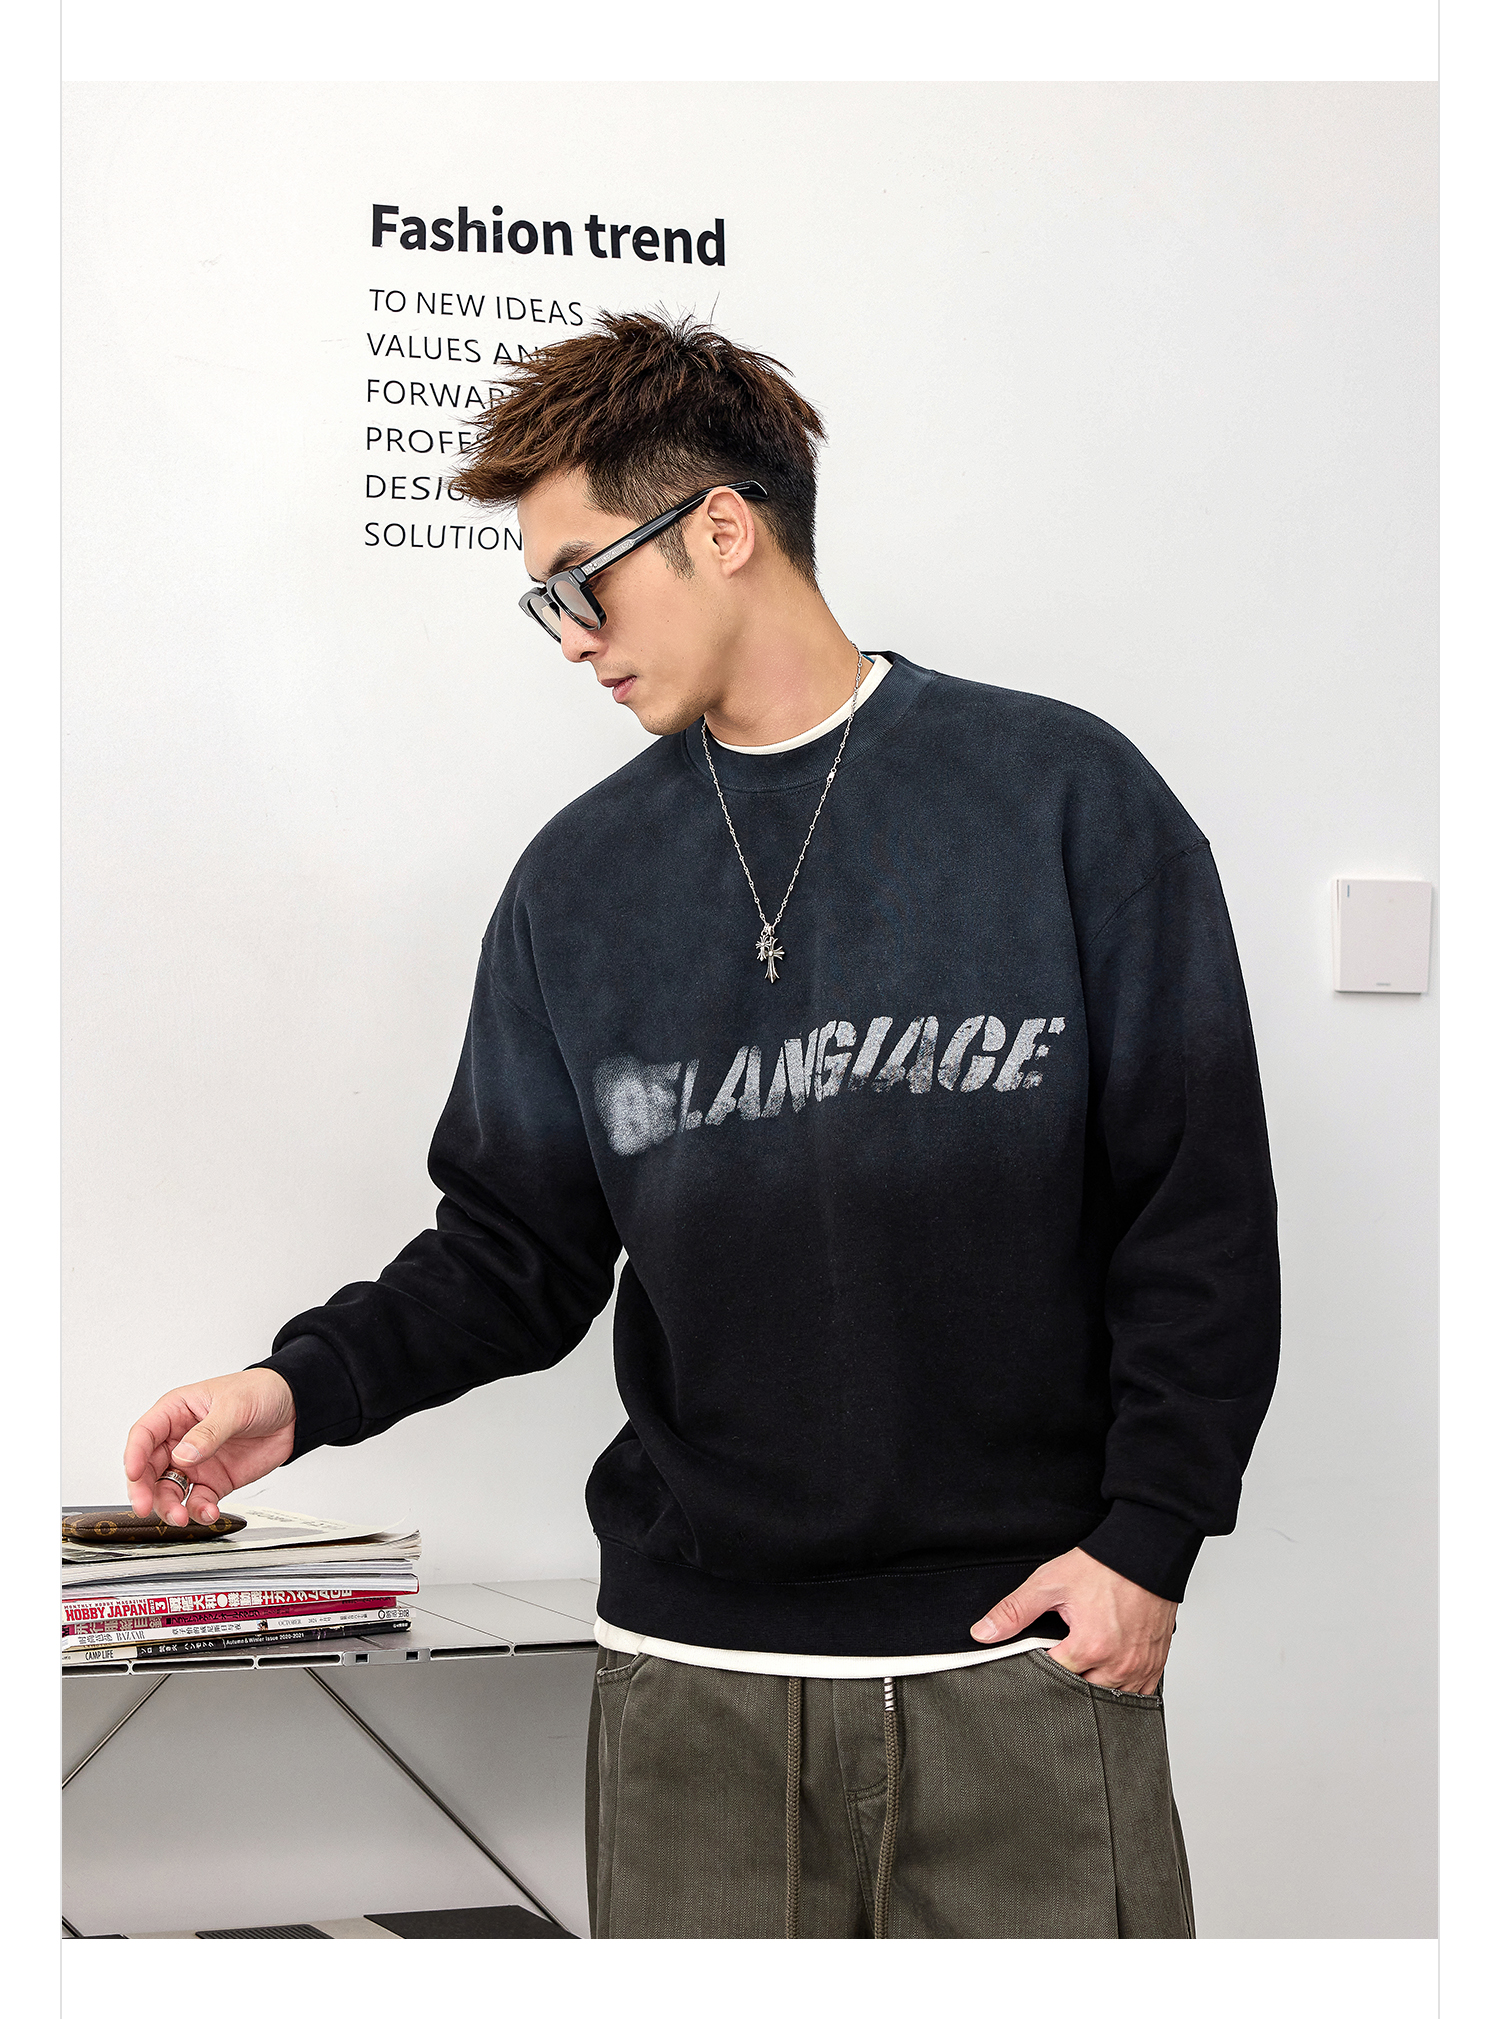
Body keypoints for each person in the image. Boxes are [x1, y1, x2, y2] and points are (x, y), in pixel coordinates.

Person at [123, 310, 1279, 1940]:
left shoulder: (1067, 801)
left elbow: (1197, 1211)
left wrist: (1150, 1542)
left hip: (1023, 1660)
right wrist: (293, 1390)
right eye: (545, 604)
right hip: (694, 1691)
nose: (569, 637)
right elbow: (512, 1252)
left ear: (721, 528)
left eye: (581, 580)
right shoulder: (577, 885)